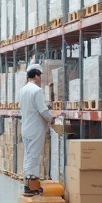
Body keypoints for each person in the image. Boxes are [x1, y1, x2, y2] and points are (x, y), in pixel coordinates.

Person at [17, 66, 60, 195]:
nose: (41, 79)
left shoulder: (23, 90)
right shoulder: (37, 91)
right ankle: (31, 185)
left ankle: (27, 183)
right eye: (40, 75)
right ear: (36, 75)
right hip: (35, 128)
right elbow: (42, 110)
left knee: (28, 155)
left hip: (26, 127)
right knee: (34, 157)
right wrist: (52, 118)